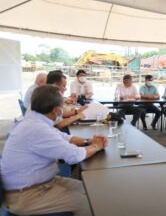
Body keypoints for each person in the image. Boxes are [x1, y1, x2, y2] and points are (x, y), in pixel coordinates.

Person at [0, 85, 107, 216]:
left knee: (90, 190)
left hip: (42, 183)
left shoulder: (34, 120)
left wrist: (88, 141)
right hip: (26, 195)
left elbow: (64, 137)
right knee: (88, 203)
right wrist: (96, 146)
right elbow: (74, 155)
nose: (65, 109)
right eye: (63, 106)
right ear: (56, 110)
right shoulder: (37, 129)